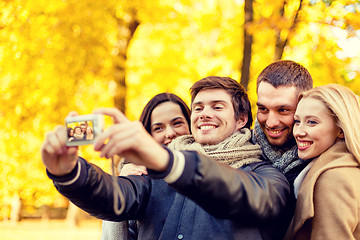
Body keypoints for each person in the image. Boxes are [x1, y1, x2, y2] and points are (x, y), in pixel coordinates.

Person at [41, 76, 290, 239]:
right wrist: (70, 173)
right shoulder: (153, 175)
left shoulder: (267, 177)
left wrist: (169, 162)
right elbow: (114, 196)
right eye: (199, 108)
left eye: (217, 106)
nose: (204, 113)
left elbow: (244, 194)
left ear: (241, 120)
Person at [101, 92, 191, 240]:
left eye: (177, 123)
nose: (170, 133)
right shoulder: (138, 178)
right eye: (158, 128)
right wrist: (121, 187)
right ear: (147, 136)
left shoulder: (208, 171)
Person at [285, 84, 360, 239]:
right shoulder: (346, 167)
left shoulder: (334, 177)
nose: (298, 132)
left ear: (340, 129)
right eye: (297, 121)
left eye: (312, 122)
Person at [253, 60, 313, 191]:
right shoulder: (241, 151)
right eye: (263, 109)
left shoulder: (322, 161)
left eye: (283, 110)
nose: (271, 123)